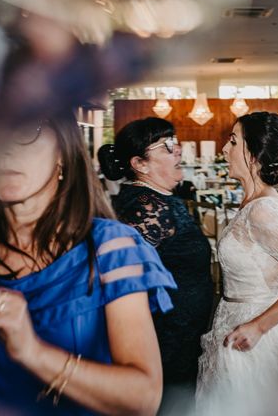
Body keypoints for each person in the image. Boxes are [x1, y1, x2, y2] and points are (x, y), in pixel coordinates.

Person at [0, 112, 177, 415]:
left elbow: (143, 398)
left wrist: (34, 352)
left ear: (63, 151)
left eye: (26, 130)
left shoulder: (109, 248)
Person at [197, 112, 278, 405]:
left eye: (233, 141)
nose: (224, 149)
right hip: (230, 320)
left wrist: (258, 327)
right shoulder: (251, 203)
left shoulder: (263, 209)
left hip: (256, 334)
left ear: (253, 154)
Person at [98, 117, 214, 407]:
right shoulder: (147, 208)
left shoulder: (157, 200)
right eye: (167, 147)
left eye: (175, 143)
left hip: (181, 338)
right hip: (166, 341)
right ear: (141, 164)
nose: (178, 151)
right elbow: (118, 276)